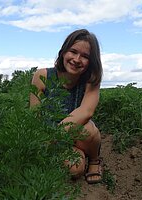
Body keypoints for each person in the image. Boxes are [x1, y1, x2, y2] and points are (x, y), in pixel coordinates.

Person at [29, 29, 103, 184]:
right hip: (48, 139)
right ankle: (77, 154)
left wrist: (54, 137)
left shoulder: (91, 80)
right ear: (63, 52)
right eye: (73, 52)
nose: (77, 59)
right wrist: (43, 142)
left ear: (91, 61)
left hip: (72, 135)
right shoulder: (42, 76)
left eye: (85, 56)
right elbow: (34, 116)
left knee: (89, 129)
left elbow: (86, 111)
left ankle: (95, 161)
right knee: (75, 169)